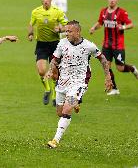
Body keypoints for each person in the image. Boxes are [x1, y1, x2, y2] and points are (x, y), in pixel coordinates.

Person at [45, 20, 113, 148]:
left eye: (69, 31)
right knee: (59, 113)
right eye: (66, 31)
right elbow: (55, 59)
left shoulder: (88, 46)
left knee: (66, 110)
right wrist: (50, 70)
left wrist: (108, 76)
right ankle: (75, 103)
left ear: (78, 32)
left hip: (79, 82)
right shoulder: (62, 43)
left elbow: (103, 59)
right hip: (63, 82)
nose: (67, 33)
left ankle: (55, 140)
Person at [90, 0, 138, 95]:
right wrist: (94, 28)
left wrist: (123, 27)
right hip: (106, 45)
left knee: (120, 68)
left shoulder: (121, 12)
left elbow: (131, 24)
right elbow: (100, 22)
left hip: (118, 46)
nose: (112, 0)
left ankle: (132, 68)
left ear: (117, 0)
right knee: (106, 66)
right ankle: (114, 89)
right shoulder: (103, 11)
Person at [28, 0, 68, 106]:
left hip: (55, 45)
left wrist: (60, 29)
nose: (45, 0)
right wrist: (30, 34)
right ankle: (47, 89)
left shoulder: (58, 12)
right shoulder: (35, 12)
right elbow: (31, 24)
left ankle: (55, 96)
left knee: (55, 74)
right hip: (41, 44)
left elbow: (68, 26)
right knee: (41, 71)